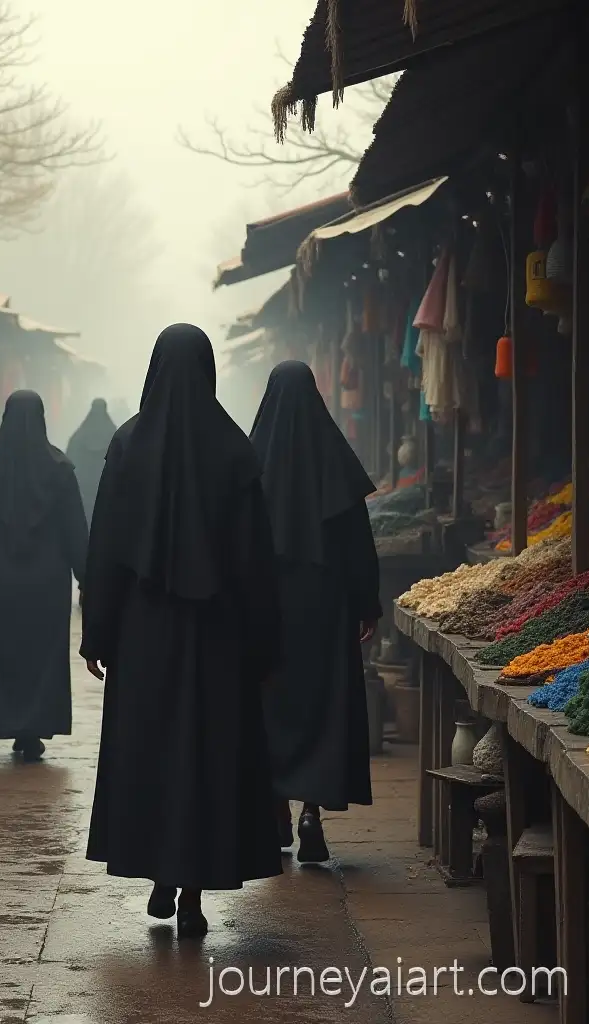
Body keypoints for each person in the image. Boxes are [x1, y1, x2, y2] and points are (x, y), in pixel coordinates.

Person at [82, 324, 284, 939]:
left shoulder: (128, 444)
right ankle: (193, 892)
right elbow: (255, 560)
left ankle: (160, 878)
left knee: (151, 752)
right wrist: (263, 642)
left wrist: (99, 634)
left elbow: (107, 548)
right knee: (208, 755)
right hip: (217, 637)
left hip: (146, 637)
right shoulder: (235, 451)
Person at [249, 360, 380, 864]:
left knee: (271, 708)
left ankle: (277, 809)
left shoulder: (251, 459)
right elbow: (358, 544)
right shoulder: (335, 459)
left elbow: (236, 541)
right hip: (325, 609)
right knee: (319, 707)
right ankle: (311, 813)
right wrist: (366, 606)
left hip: (268, 609)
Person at [0, 390, 88, 762]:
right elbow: (75, 531)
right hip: (47, 588)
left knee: (5, 656)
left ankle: (10, 721)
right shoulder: (60, 471)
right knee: (42, 658)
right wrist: (87, 579)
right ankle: (34, 729)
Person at [65, 398, 117, 525]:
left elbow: (69, 467)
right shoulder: (115, 438)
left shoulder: (77, 439)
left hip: (82, 498)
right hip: (108, 497)